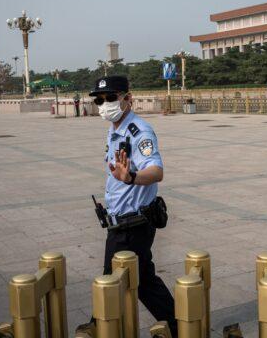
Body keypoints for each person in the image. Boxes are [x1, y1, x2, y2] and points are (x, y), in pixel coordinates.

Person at [89, 75, 177, 336]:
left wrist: (131, 177)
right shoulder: (115, 128)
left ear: (128, 98)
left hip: (133, 224)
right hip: (121, 221)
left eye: (110, 98)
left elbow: (156, 171)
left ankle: (97, 327)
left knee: (110, 280)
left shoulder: (139, 131)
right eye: (99, 99)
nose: (104, 104)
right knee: (144, 281)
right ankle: (182, 324)